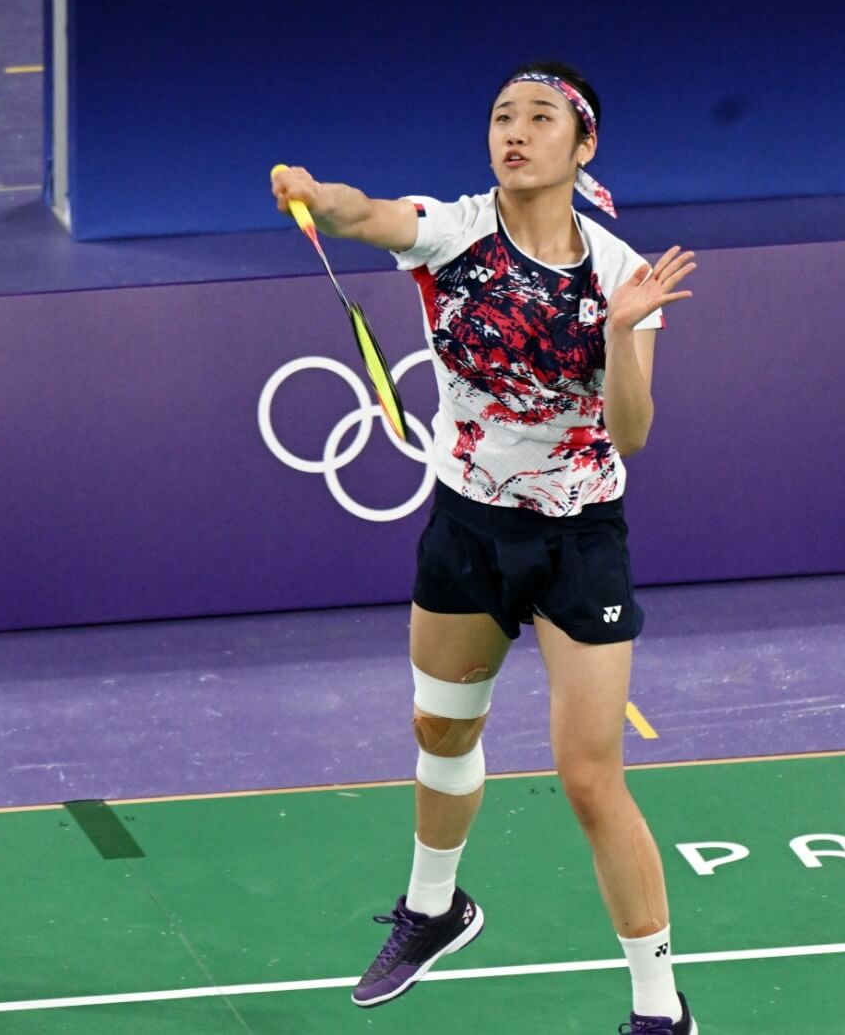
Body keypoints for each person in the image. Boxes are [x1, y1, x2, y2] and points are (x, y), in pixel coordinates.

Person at [271, 62, 698, 1034]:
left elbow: (630, 433)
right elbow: (365, 214)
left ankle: (660, 1006)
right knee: (441, 729)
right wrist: (314, 193)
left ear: (583, 145)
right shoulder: (454, 230)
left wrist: (621, 331)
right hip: (467, 527)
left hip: (577, 541)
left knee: (588, 776)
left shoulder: (620, 273)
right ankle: (434, 908)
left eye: (541, 117)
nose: (515, 131)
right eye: (503, 115)